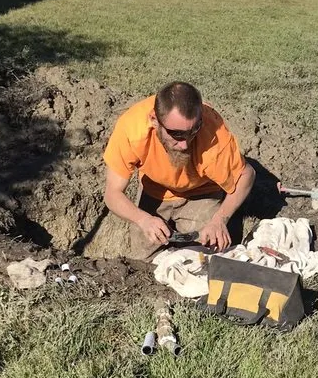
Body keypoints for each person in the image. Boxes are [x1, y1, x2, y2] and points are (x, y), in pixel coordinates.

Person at [103, 81, 255, 260]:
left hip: (201, 193)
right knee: (142, 262)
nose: (185, 144)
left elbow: (246, 175)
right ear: (154, 121)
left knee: (204, 259)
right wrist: (143, 219)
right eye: (176, 134)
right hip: (155, 189)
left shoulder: (214, 135)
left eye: (193, 130)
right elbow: (112, 193)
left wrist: (220, 219)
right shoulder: (132, 129)